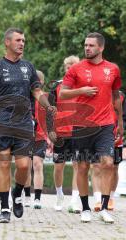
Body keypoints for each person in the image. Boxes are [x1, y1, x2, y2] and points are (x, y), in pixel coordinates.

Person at [0, 28, 55, 223]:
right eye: (18, 40)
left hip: (24, 123)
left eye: (24, 40)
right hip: (0, 122)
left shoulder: (28, 67)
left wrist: (48, 106)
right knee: (3, 164)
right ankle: (4, 207)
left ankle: (17, 194)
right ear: (7, 43)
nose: (22, 43)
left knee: (24, 166)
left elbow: (36, 92)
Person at [59, 32, 123, 223]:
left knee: (108, 164)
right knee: (83, 166)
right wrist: (81, 91)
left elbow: (115, 96)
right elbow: (62, 94)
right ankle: (85, 208)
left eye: (91, 45)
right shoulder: (76, 69)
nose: (87, 48)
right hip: (82, 125)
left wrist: (119, 122)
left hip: (105, 124)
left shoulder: (113, 69)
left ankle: (103, 208)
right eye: (85, 45)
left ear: (101, 48)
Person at [49, 56, 81, 213]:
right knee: (58, 167)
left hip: (79, 131)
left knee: (78, 166)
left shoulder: (84, 87)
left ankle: (74, 201)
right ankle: (60, 195)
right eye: (68, 66)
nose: (70, 69)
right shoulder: (57, 86)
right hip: (60, 132)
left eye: (73, 66)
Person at [24, 70, 49, 209]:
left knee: (38, 164)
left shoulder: (45, 98)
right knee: (26, 166)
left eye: (38, 81)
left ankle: (37, 198)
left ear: (42, 82)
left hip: (40, 135)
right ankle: (27, 196)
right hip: (25, 135)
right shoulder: (25, 98)